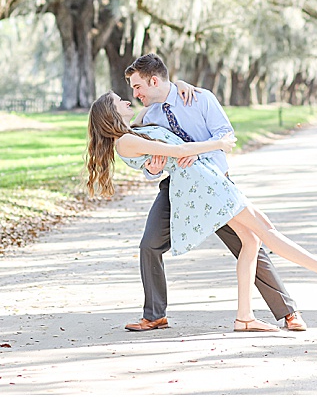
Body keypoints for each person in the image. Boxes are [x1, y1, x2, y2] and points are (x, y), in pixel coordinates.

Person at [87, 90, 317, 332]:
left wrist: (183, 86)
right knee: (265, 232)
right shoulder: (125, 141)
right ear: (111, 112)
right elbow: (179, 151)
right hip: (204, 185)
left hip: (206, 180)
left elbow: (158, 105)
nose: (128, 100)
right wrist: (217, 144)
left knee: (252, 240)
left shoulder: (133, 128)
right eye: (120, 100)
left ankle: (245, 316)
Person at [122, 54, 306, 332]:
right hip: (177, 187)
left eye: (138, 87)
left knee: (248, 242)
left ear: (155, 80)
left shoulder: (200, 98)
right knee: (149, 245)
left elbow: (225, 136)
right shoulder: (150, 115)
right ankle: (154, 315)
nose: (135, 94)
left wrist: (197, 154)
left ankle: (288, 312)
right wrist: (153, 167)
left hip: (215, 184)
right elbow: (149, 164)